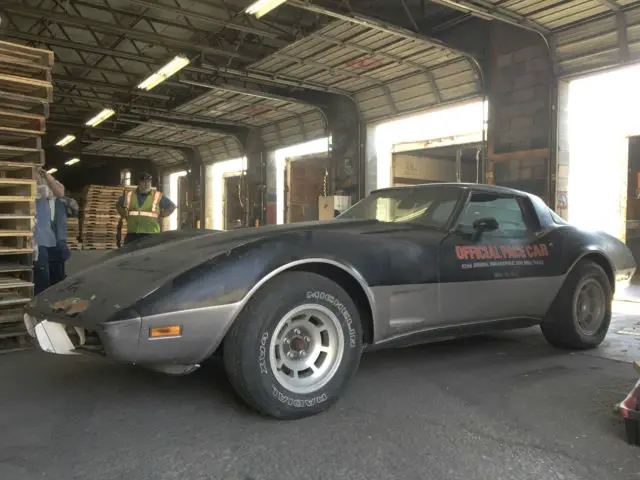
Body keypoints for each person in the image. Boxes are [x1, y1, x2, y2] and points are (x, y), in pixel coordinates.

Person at [116, 172, 176, 245]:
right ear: (139, 182)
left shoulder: (157, 196)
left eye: (148, 182)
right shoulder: (129, 195)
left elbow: (172, 206)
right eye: (144, 182)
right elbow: (118, 205)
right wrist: (123, 213)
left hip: (151, 234)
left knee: (149, 255)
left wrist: (162, 215)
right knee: (129, 255)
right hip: (132, 233)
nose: (146, 184)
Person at [34, 167, 65, 295]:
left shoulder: (47, 181)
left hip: (47, 234)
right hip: (34, 234)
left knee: (53, 270)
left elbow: (60, 192)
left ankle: (50, 295)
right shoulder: (23, 181)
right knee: (41, 271)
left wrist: (47, 177)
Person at [48, 195, 79, 285]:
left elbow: (75, 210)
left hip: (58, 244)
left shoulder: (61, 201)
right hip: (42, 244)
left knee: (57, 276)